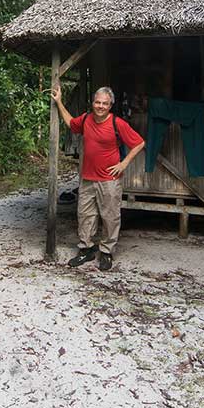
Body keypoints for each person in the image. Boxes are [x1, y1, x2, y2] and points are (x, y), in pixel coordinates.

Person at [51, 84, 145, 270]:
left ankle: (106, 252)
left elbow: (139, 143)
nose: (100, 106)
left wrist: (123, 164)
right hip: (87, 178)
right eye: (97, 102)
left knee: (110, 216)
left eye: (105, 103)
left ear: (110, 105)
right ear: (92, 103)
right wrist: (59, 102)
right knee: (85, 215)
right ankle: (86, 249)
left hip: (109, 180)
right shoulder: (86, 119)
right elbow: (70, 123)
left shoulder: (117, 123)